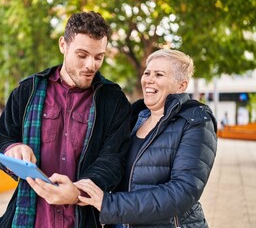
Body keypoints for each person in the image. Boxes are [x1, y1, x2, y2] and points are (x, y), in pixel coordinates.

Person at [0, 11, 131, 228]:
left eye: (98, 57)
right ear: (63, 45)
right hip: (28, 218)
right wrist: (13, 148)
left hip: (84, 219)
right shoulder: (27, 91)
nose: (91, 66)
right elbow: (1, 140)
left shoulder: (114, 100)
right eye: (82, 55)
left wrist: (77, 192)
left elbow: (114, 160)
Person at [74, 49, 218, 227]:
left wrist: (109, 204)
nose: (149, 79)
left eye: (159, 74)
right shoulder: (133, 118)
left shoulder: (195, 121)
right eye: (147, 73)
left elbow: (183, 191)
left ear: (181, 85)